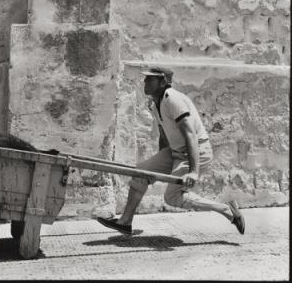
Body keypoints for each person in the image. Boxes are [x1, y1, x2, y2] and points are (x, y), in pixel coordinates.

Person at [97, 67, 245, 235]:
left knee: (172, 198)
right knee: (140, 173)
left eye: (150, 79)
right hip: (175, 152)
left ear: (163, 82)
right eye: (146, 78)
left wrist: (193, 172)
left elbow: (190, 134)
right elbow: (164, 135)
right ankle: (125, 222)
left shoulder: (172, 99)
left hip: (196, 152)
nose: (145, 82)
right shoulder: (155, 104)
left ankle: (227, 210)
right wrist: (160, 164)